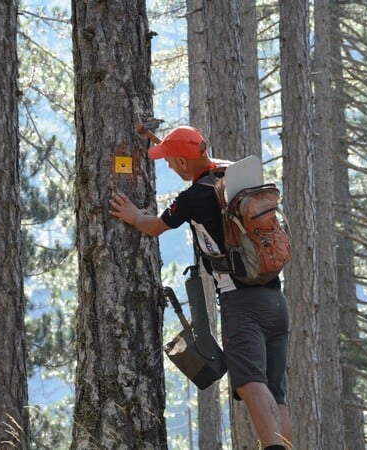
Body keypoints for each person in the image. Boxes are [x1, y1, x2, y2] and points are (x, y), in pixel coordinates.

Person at [109, 126, 292, 450]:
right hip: (275, 300)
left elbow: (154, 227)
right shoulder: (236, 181)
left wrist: (134, 215)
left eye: (169, 161)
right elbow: (209, 164)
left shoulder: (192, 198)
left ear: (182, 161)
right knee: (276, 395)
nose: (167, 167)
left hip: (241, 303)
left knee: (251, 385)